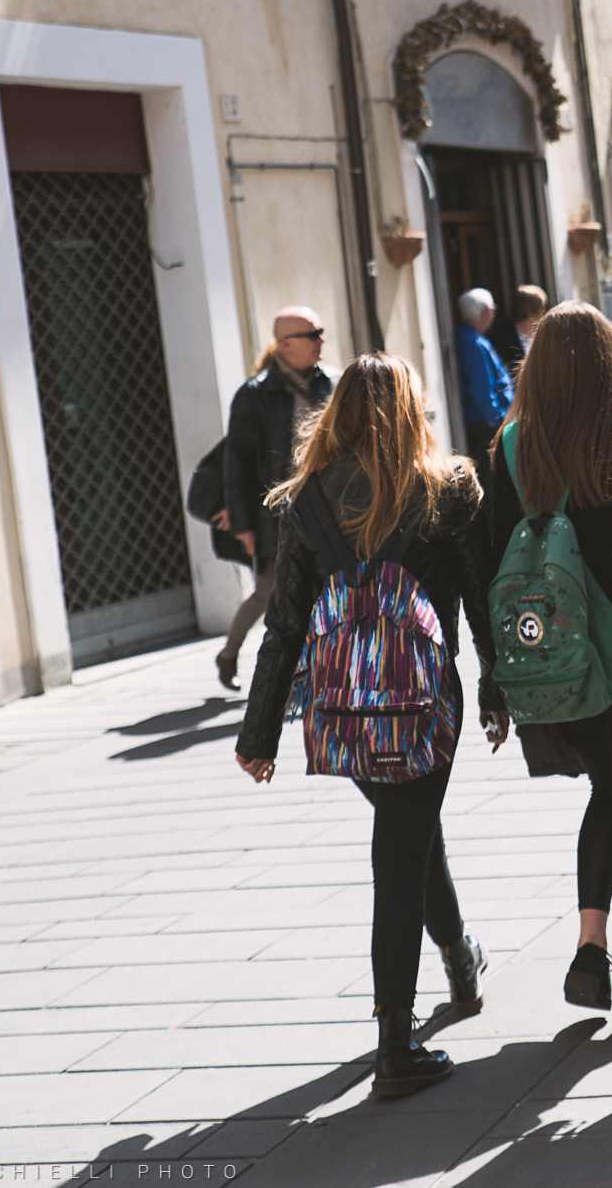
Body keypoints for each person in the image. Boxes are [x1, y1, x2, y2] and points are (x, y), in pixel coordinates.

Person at [234, 353, 488, 1099]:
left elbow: (284, 627)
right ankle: (394, 1044)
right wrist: (501, 689)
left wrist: (259, 734)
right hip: (425, 700)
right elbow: (476, 596)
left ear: (336, 412)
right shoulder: (448, 487)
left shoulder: (304, 500)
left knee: (412, 833)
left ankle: (457, 954)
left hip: (343, 708)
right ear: (413, 410)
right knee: (402, 847)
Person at [474, 302, 612, 1033]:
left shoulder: (512, 444)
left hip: (554, 655)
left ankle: (589, 950)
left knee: (606, 796)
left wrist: (494, 671)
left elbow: (491, 554)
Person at [216, 306, 334, 689]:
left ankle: (314, 674)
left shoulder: (330, 383)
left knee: (322, 593)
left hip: (326, 510)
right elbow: (237, 465)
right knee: (270, 594)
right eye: (312, 334)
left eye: (321, 332)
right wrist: (244, 525)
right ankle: (230, 653)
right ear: (285, 345)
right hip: (277, 517)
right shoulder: (254, 395)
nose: (322, 340)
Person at [454, 288, 514, 465]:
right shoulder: (474, 343)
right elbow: (481, 387)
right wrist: (496, 419)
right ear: (485, 312)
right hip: (485, 422)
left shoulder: (468, 337)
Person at [488, 284, 549, 373]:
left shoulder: (543, 335)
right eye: (541, 307)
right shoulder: (503, 338)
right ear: (529, 311)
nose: (544, 311)